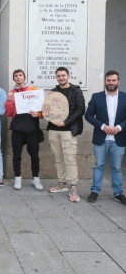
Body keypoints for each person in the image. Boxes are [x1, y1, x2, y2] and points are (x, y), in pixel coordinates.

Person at [85, 70, 126, 205]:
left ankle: (118, 193)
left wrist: (119, 127)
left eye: (114, 80)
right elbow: (88, 115)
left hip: (118, 138)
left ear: (118, 82)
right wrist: (102, 126)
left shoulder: (125, 97)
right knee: (98, 166)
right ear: (105, 82)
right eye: (108, 80)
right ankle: (95, 191)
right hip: (101, 137)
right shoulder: (97, 97)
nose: (111, 83)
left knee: (117, 168)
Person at [47, 67, 85, 202]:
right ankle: (62, 184)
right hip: (53, 129)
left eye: (63, 75)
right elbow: (48, 110)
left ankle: (73, 188)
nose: (61, 78)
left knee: (69, 159)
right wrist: (48, 100)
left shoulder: (76, 90)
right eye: (58, 76)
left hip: (69, 130)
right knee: (58, 158)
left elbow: (81, 109)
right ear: (56, 77)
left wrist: (66, 122)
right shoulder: (54, 92)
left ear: (68, 76)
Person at [5, 69, 43, 191]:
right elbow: (10, 113)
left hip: (32, 127)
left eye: (20, 75)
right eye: (16, 76)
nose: (18, 77)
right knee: (16, 154)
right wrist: (9, 100)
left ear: (24, 77)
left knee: (34, 155)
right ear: (14, 79)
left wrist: (39, 114)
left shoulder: (34, 90)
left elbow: (42, 109)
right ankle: (17, 178)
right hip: (17, 127)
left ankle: (36, 178)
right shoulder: (11, 93)